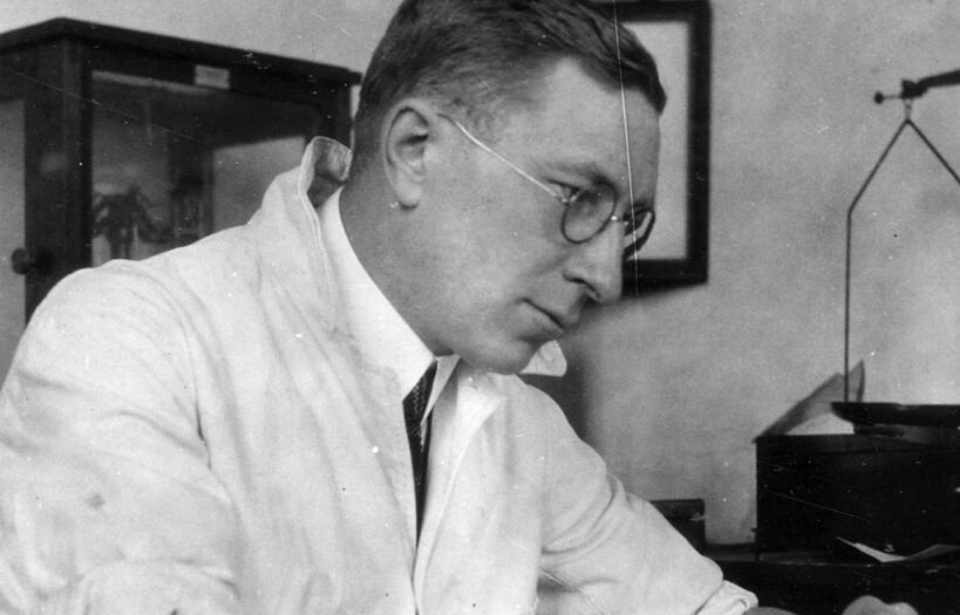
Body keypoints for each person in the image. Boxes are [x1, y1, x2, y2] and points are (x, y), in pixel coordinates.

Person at [0, 1, 918, 614]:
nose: (603, 275)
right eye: (577, 197)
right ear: (413, 150)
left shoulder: (509, 415)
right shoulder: (130, 337)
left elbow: (696, 607)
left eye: (625, 221)